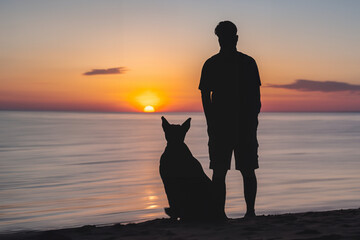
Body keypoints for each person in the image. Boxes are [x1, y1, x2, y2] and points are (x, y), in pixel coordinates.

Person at [199, 21, 261, 219]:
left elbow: (256, 97)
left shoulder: (247, 62)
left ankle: (247, 212)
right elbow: (205, 96)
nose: (223, 41)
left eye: (226, 37)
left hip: (240, 126)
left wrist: (252, 120)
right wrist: (211, 122)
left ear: (235, 38)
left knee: (243, 170)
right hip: (223, 126)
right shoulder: (212, 64)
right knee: (224, 171)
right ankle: (223, 214)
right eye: (221, 38)